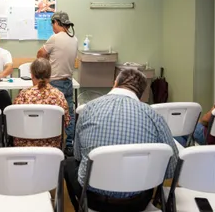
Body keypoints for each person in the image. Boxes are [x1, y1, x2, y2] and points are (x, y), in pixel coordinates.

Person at [65, 69, 179, 212]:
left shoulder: (89, 108)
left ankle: (81, 207)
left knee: (68, 163)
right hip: (137, 201)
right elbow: (172, 167)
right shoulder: (153, 115)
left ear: (115, 83)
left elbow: (77, 155)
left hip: (95, 199)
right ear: (141, 93)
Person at [37, 11, 78, 156]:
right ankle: (69, 145)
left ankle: (52, 144)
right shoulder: (74, 39)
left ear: (57, 23)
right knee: (70, 115)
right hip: (68, 81)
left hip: (54, 83)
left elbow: (40, 54)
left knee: (51, 115)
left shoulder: (55, 38)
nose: (52, 26)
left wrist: (47, 58)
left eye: (52, 23)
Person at [13, 58, 70, 148]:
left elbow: (14, 121)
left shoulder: (23, 95)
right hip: (52, 146)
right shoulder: (59, 96)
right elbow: (66, 122)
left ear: (31, 75)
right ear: (50, 75)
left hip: (25, 145)